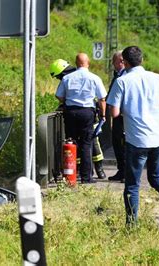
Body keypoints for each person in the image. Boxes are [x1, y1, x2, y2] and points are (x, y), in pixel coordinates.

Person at [107, 46, 159, 227]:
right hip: (158, 138)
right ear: (142, 60)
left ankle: (132, 225)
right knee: (156, 177)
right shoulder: (157, 78)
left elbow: (113, 112)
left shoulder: (122, 81)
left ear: (125, 63)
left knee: (132, 185)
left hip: (136, 139)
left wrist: (130, 111)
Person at [54, 53, 107, 183]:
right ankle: (86, 177)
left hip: (71, 112)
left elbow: (59, 95)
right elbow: (102, 99)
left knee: (71, 141)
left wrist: (67, 101)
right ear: (88, 63)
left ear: (76, 63)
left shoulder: (67, 78)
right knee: (86, 144)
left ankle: (71, 175)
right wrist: (103, 115)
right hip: (87, 113)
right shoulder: (94, 78)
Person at [107, 51, 126, 182]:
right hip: (117, 116)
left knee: (124, 144)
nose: (113, 65)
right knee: (117, 143)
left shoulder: (125, 76)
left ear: (120, 61)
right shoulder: (117, 75)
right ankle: (121, 170)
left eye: (113, 62)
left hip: (124, 116)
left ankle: (126, 173)